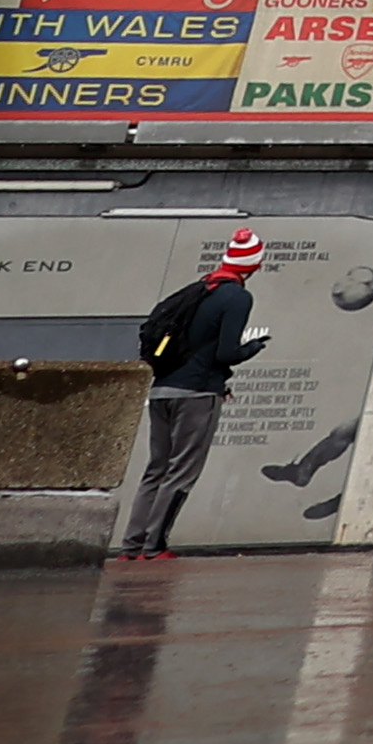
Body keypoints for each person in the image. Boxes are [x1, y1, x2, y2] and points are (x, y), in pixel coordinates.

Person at [122, 228, 268, 556]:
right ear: (255, 265)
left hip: (162, 390)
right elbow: (226, 353)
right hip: (198, 394)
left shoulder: (198, 290)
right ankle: (155, 546)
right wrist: (253, 348)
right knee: (182, 471)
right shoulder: (238, 297)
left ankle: (131, 545)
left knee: (156, 469)